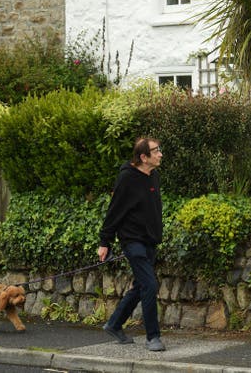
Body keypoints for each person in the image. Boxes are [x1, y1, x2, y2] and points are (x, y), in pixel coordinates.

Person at [97, 136, 165, 352]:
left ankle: (114, 324)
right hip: (132, 240)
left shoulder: (153, 176)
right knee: (150, 284)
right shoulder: (127, 179)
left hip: (149, 240)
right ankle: (153, 337)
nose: (160, 154)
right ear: (143, 157)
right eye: (156, 151)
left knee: (140, 286)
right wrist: (104, 241)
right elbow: (114, 211)